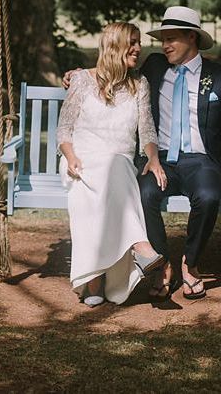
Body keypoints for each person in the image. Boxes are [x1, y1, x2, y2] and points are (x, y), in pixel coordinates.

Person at [139, 6, 221, 300]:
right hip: (160, 158)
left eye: (172, 38)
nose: (165, 45)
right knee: (145, 193)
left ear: (192, 37)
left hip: (202, 161)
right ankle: (162, 265)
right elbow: (117, 77)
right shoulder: (154, 67)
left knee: (209, 196)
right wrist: (80, 75)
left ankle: (190, 262)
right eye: (163, 39)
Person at [56, 22, 166, 307]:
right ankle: (139, 248)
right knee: (105, 179)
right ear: (114, 46)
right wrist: (70, 157)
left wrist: (153, 158)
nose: (139, 48)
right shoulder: (81, 80)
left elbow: (147, 129)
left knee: (115, 169)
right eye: (132, 42)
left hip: (118, 163)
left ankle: (97, 279)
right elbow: (64, 130)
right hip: (81, 162)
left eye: (139, 42)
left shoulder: (139, 84)